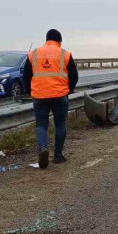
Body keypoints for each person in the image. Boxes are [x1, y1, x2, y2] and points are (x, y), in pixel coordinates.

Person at [23, 29, 79, 168]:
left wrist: (31, 91)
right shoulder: (65, 54)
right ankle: (58, 156)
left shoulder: (33, 54)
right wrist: (69, 90)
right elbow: (74, 76)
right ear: (59, 41)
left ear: (46, 39)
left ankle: (43, 148)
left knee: (41, 125)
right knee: (60, 124)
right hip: (60, 95)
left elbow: (26, 76)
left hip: (39, 95)